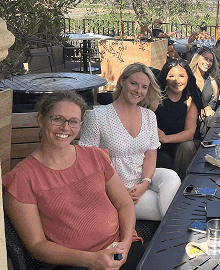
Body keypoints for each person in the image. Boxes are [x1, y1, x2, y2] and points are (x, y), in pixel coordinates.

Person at [5, 91, 138, 270]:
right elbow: (37, 246)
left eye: (73, 121)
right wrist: (90, 260)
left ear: (80, 125)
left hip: (119, 248)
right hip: (74, 263)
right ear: (40, 120)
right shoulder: (22, 178)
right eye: (57, 119)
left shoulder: (95, 156)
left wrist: (126, 244)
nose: (65, 128)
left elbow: (125, 204)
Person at [77, 64, 182, 222]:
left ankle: (174, 232)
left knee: (172, 177)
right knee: (170, 209)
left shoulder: (149, 116)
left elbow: (150, 155)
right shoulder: (98, 116)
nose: (138, 91)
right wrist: (116, 190)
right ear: (122, 82)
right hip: (113, 188)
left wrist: (145, 183)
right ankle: (177, 233)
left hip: (142, 181)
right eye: (134, 84)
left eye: (144, 87)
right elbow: (87, 161)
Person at [154, 59, 201, 174]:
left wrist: (167, 138)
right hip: (158, 145)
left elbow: (190, 133)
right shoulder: (156, 98)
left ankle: (181, 184)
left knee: (188, 146)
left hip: (180, 143)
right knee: (163, 159)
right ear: (165, 78)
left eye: (181, 76)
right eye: (171, 76)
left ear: (188, 78)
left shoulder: (190, 100)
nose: (176, 81)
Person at [189, 47, 220, 118]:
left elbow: (213, 103)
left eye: (211, 60)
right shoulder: (187, 77)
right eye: (205, 58)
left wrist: (208, 108)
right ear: (197, 58)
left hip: (204, 121)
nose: (208, 63)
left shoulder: (213, 81)